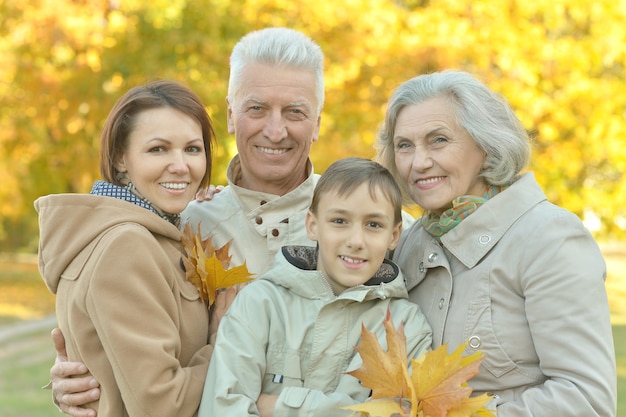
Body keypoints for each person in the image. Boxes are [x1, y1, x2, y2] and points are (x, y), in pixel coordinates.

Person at [47, 27, 329, 417]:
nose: (275, 130)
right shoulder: (188, 224)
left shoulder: (375, 225)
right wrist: (79, 379)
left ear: (317, 122)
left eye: (295, 111)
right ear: (231, 115)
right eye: (257, 108)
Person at [376, 70, 617, 416]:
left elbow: (585, 399)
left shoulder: (549, 238)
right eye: (404, 146)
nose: (419, 162)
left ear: (487, 147)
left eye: (439, 140)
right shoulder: (410, 242)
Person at [35, 80, 218, 416]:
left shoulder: (150, 234)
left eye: (192, 149)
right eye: (158, 149)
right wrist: (227, 342)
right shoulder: (126, 245)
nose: (181, 165)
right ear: (120, 157)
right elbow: (163, 405)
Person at [199, 157, 433, 417]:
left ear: (394, 235)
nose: (356, 241)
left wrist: (282, 406)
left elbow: (405, 412)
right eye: (340, 221)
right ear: (312, 224)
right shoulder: (260, 305)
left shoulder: (406, 328)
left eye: (373, 225)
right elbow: (224, 407)